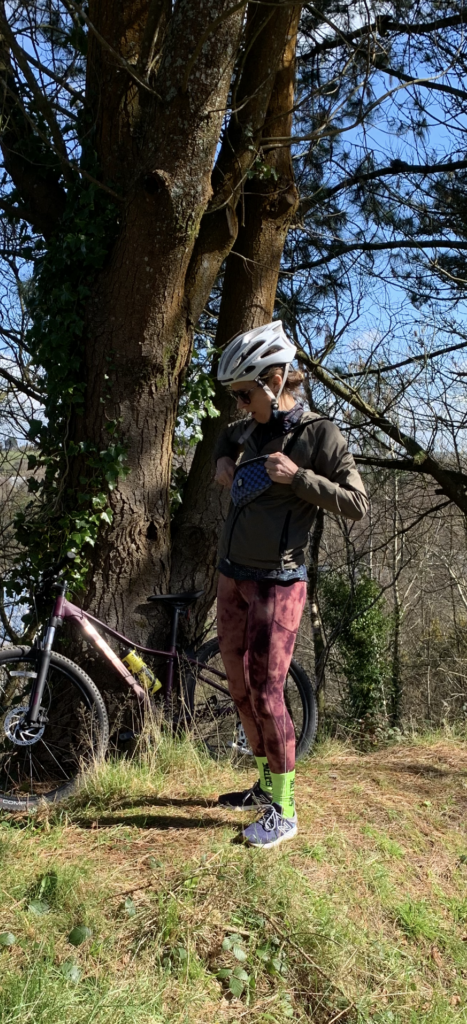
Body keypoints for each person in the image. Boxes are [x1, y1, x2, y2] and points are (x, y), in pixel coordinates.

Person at [213, 321, 368, 848]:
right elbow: (226, 437)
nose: (239, 405)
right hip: (231, 576)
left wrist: (298, 478)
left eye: (244, 394)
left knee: (267, 692)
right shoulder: (248, 430)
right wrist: (221, 458)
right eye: (235, 396)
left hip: (277, 583)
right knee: (239, 689)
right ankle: (263, 786)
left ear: (275, 380)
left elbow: (357, 503)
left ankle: (285, 810)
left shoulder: (319, 434)